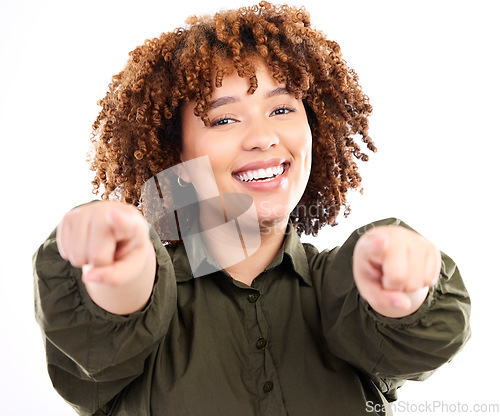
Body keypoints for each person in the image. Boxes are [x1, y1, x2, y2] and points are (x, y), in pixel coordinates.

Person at [33, 2, 471, 415]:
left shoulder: (344, 292)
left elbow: (414, 339)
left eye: (282, 108)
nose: (263, 137)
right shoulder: (147, 300)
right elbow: (99, 333)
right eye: (224, 119)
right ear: (176, 160)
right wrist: (112, 273)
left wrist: (406, 293)